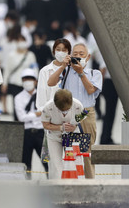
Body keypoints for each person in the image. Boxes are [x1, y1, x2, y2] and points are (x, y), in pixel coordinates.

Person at [47, 43, 103, 179]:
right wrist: (62, 66)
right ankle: (71, 182)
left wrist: (81, 73)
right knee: (70, 152)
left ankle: (89, 184)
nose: (78, 57)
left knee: (87, 151)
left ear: (88, 57)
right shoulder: (66, 72)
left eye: (81, 55)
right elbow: (50, 82)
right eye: (75, 54)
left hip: (86, 112)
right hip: (68, 113)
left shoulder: (94, 73)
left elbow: (91, 90)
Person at [41, 89, 84, 179]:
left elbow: (82, 117)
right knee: (55, 165)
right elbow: (45, 124)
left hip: (72, 135)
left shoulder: (78, 105)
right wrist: (60, 127)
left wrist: (75, 126)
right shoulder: (47, 108)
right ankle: (56, 186)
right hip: (54, 137)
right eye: (62, 110)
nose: (64, 112)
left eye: (67, 110)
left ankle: (75, 186)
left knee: (75, 162)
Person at [14, 68, 48, 178]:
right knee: (25, 163)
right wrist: (37, 114)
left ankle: (51, 180)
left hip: (41, 133)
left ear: (36, 81)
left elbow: (46, 114)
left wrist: (33, 116)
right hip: (26, 133)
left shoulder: (43, 95)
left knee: (47, 161)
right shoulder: (18, 97)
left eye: (30, 79)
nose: (28, 81)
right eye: (25, 79)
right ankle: (27, 184)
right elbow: (21, 117)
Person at [1, 24, 38, 120]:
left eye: (23, 41)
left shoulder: (30, 55)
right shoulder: (11, 55)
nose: (21, 43)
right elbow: (7, 70)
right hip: (14, 82)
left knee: (28, 104)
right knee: (16, 106)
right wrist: (4, 83)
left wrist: (36, 80)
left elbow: (35, 68)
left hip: (28, 83)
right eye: (19, 41)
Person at [36, 38, 72, 111]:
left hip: (69, 113)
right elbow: (41, 96)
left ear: (68, 53)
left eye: (64, 50)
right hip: (50, 112)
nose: (61, 52)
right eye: (58, 49)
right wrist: (44, 114)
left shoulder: (72, 70)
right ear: (53, 51)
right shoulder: (45, 71)